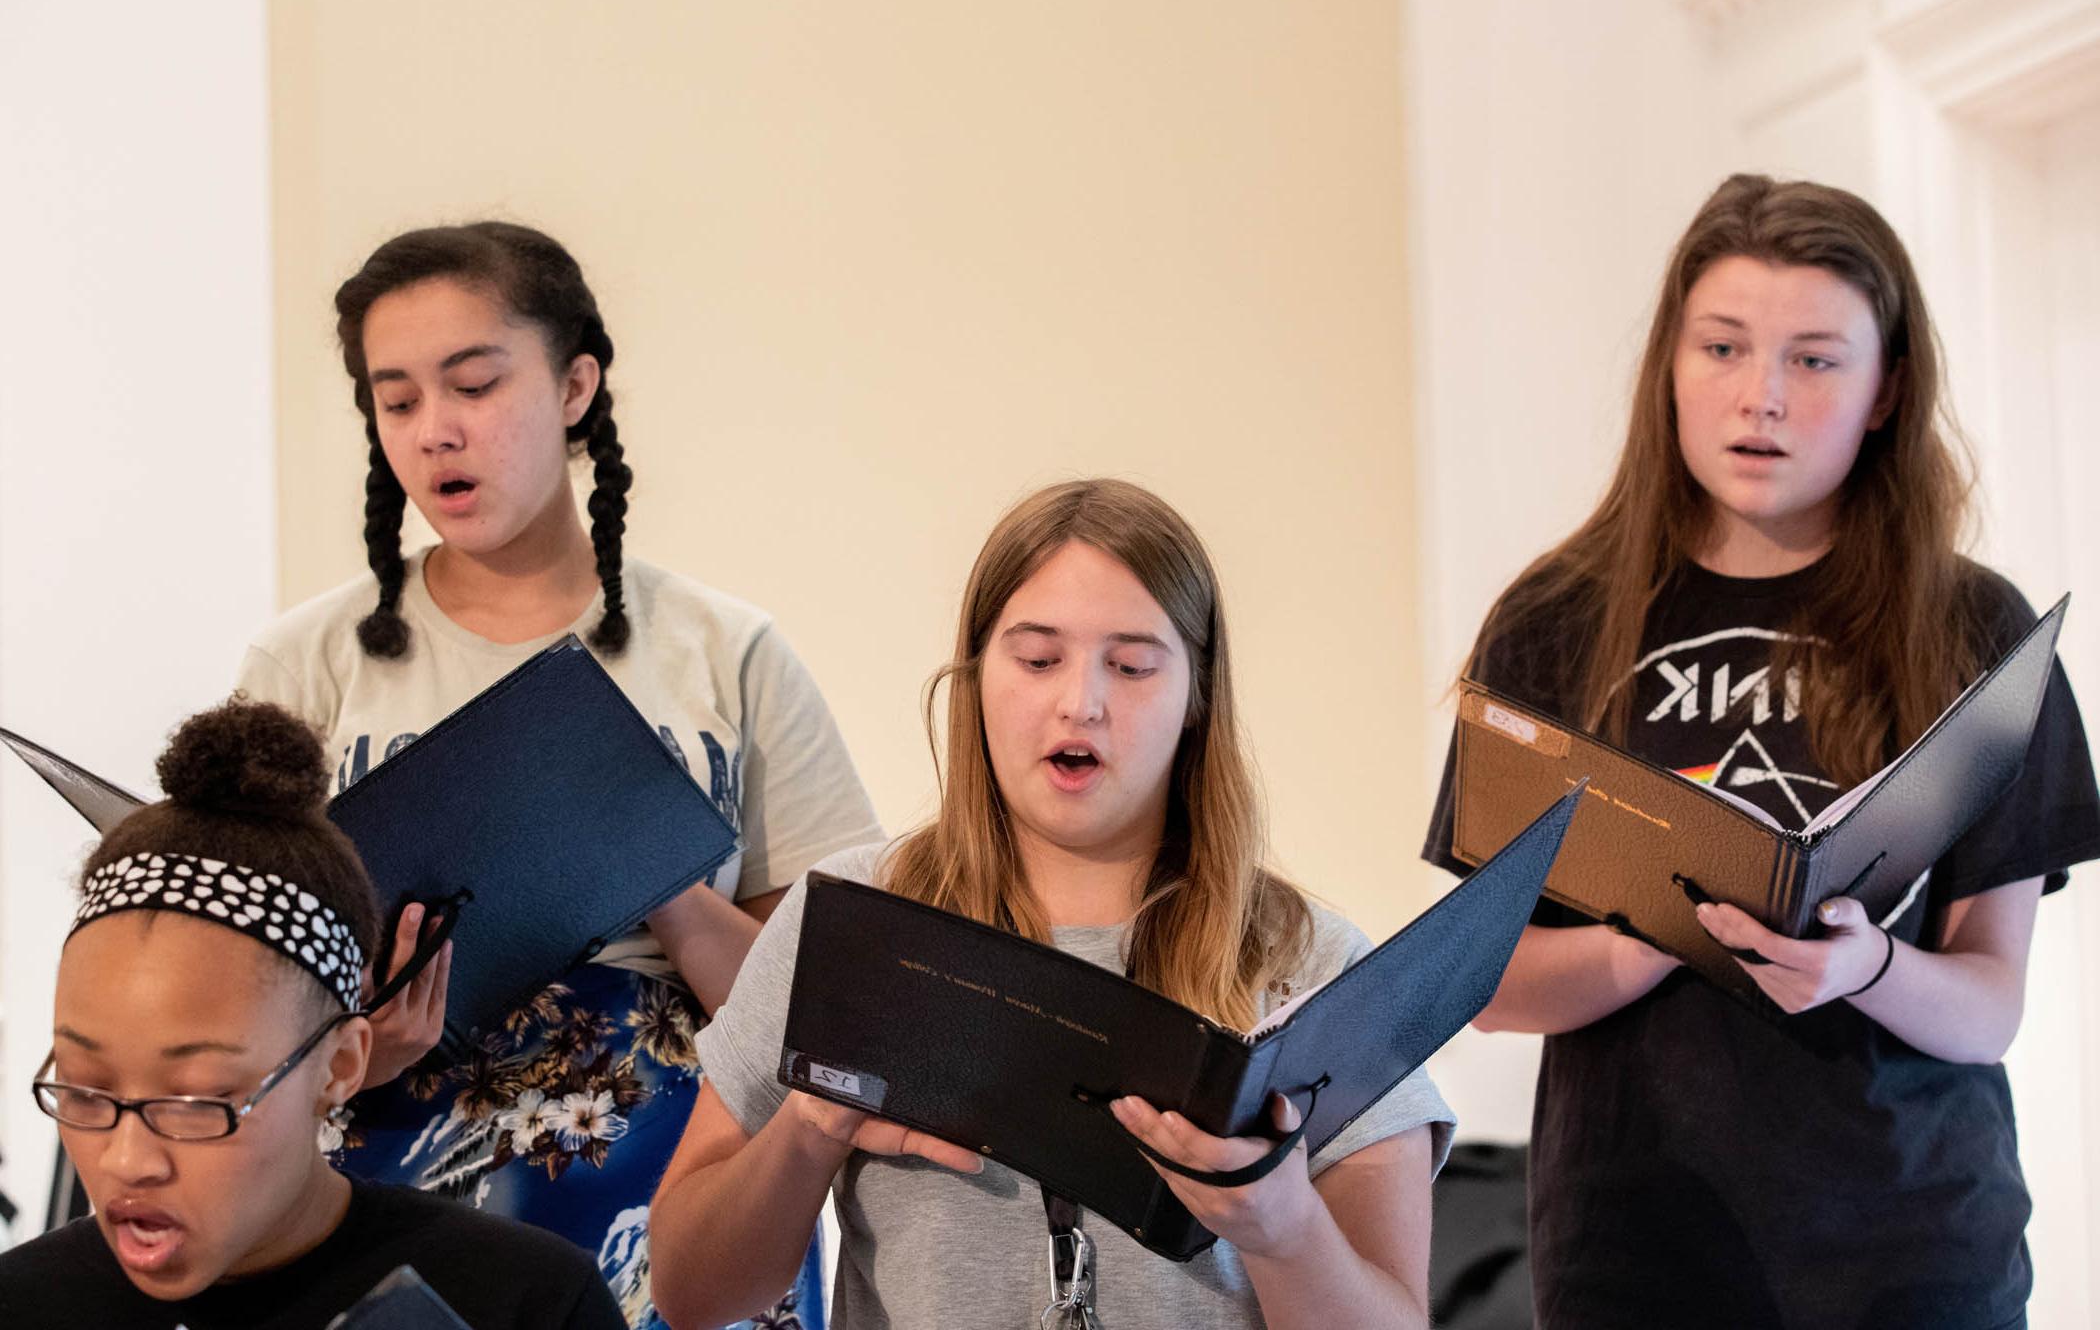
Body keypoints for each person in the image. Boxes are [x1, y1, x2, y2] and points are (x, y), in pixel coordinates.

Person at [1423, 174, 2100, 1330]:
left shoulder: (1974, 626)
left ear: (1887, 388)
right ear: (1670, 368)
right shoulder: (1556, 618)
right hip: (1635, 1255)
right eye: (1724, 347)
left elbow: (1990, 1002)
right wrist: (1662, 936)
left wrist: (1864, 967)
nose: (1762, 398)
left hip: (1916, 1257)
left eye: (1816, 360)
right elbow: (1486, 984)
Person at [237, 222, 882, 1328]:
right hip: (384, 1169)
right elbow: (235, 992)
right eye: (396, 402)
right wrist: (353, 1047)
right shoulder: (308, 662)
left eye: (475, 385)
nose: (436, 431)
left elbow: (831, 1022)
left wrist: (660, 879)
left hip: (677, 1192)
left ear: (577, 384)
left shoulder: (726, 652)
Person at [649, 478, 1454, 1330]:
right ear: (976, 676)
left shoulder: (1314, 967)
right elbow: (691, 1294)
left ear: (1197, 696)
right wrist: (812, 1126)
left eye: (1133, 665)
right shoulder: (857, 921)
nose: (1081, 703)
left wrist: (1284, 1230)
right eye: (1037, 659)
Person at [0, 700, 628, 1328]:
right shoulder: (24, 1304)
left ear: (339, 1065)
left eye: (196, 1101)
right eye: (83, 1089)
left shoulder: (527, 1302)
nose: (126, 1161)